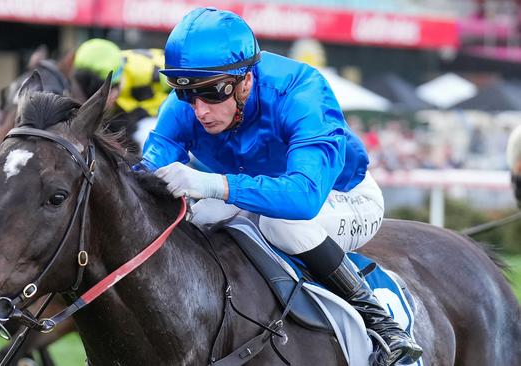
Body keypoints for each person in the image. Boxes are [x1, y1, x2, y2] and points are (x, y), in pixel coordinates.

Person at [136, 8, 422, 366]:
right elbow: (144, 176)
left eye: (210, 94)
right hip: (258, 194)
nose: (199, 111)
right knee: (195, 215)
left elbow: (302, 198)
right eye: (185, 94)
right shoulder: (192, 103)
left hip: (341, 196)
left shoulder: (301, 91)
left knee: (279, 222)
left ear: (245, 81)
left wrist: (212, 183)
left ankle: (382, 323)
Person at [71, 38, 170, 152]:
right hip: (131, 115)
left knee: (148, 138)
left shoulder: (153, 71)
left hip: (160, 117)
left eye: (105, 91)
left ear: (118, 81)